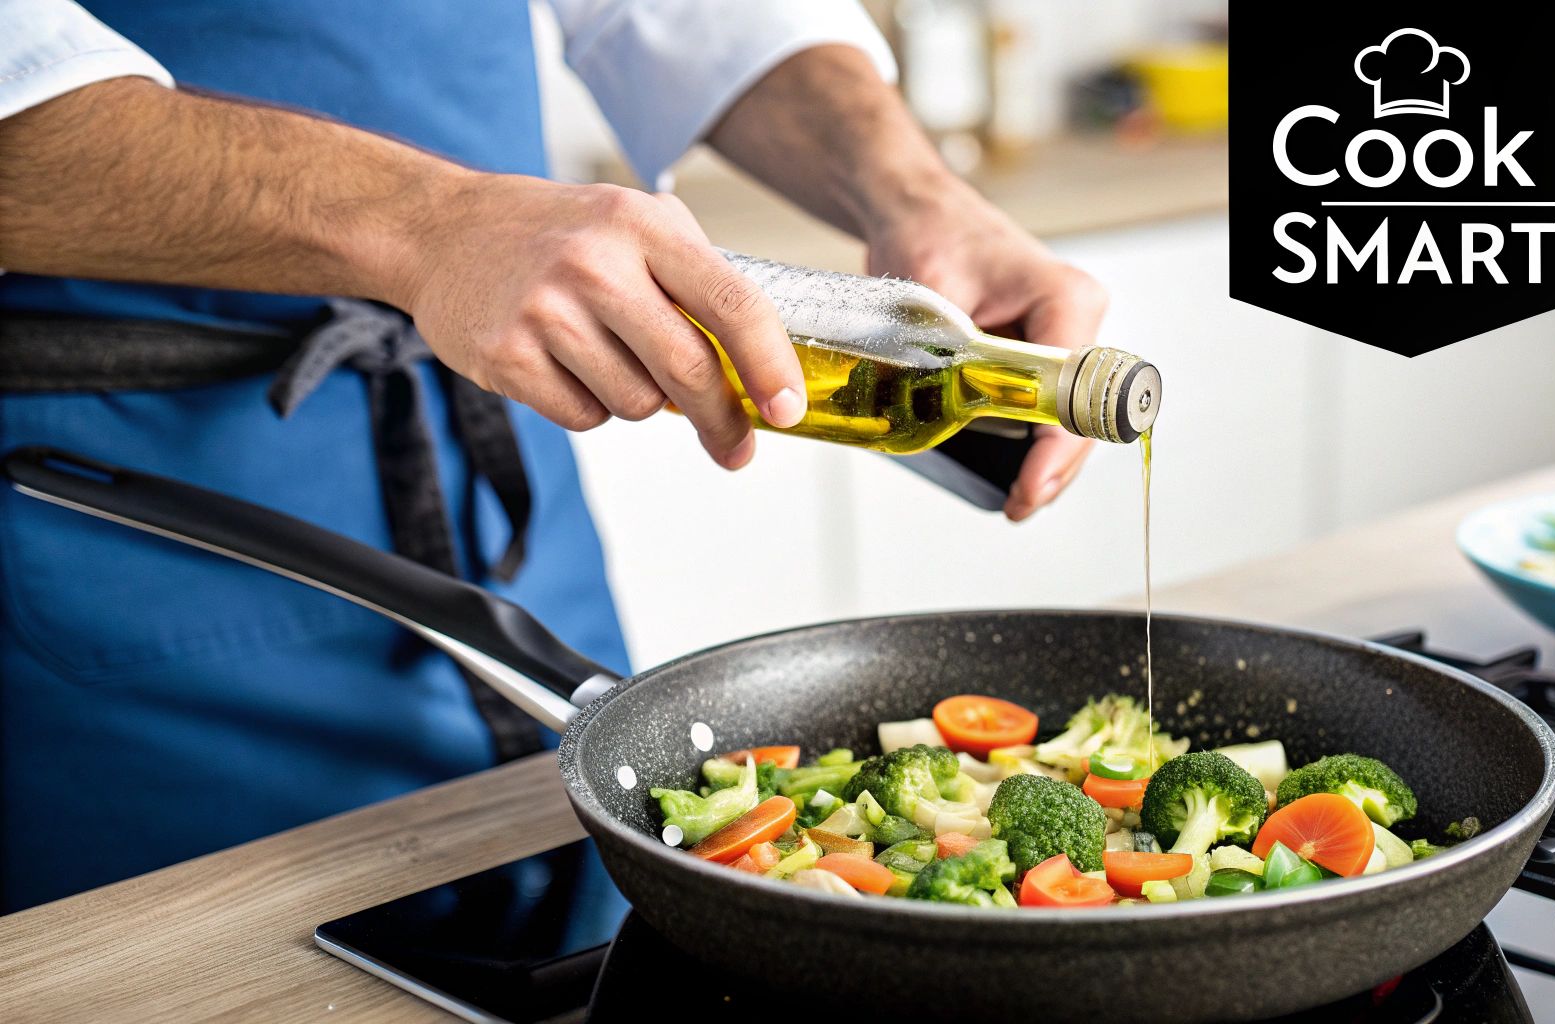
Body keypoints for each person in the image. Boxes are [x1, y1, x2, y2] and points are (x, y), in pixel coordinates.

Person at [0, 0, 1110, 912]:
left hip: (493, 456)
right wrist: (426, 223)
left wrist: (907, 190)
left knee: (619, 846)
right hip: (124, 496)